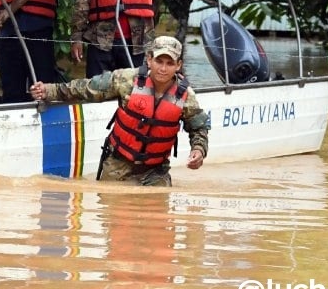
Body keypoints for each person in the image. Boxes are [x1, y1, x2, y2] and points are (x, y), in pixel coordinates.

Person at [28, 36, 208, 186]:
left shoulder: (186, 96)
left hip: (156, 172)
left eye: (169, 63)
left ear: (178, 65)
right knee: (113, 219)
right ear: (149, 59)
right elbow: (86, 88)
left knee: (158, 222)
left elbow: (199, 127)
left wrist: (198, 151)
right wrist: (49, 90)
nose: (163, 68)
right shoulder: (126, 79)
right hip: (117, 164)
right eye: (159, 61)